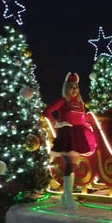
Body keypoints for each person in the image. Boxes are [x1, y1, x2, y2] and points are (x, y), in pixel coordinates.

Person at [43, 72, 95, 209]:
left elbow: (83, 119)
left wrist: (87, 126)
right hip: (67, 134)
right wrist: (57, 123)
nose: (74, 90)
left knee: (72, 166)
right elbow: (47, 111)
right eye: (71, 87)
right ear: (66, 88)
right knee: (70, 165)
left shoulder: (80, 103)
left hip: (78, 134)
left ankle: (66, 196)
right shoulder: (63, 101)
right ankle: (68, 196)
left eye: (76, 87)